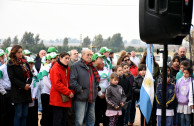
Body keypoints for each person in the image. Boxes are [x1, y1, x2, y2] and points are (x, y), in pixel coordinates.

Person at [70, 48, 99, 126]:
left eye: (91, 55)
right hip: (81, 97)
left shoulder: (92, 66)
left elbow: (97, 79)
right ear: (82, 56)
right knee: (79, 121)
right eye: (88, 55)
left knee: (91, 120)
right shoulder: (75, 66)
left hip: (92, 96)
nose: (90, 57)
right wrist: (80, 90)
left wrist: (96, 89)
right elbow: (72, 81)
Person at [7, 45, 33, 126]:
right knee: (19, 114)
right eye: (19, 52)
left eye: (21, 52)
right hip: (17, 91)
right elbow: (12, 78)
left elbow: (30, 74)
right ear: (14, 53)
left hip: (26, 91)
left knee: (25, 114)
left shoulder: (24, 62)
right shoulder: (11, 63)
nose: (21, 54)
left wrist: (28, 84)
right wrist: (23, 85)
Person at [50, 52, 74, 126]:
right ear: (60, 58)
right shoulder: (55, 68)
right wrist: (69, 92)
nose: (67, 60)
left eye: (68, 59)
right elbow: (56, 84)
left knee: (64, 120)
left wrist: (72, 91)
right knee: (58, 121)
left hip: (66, 98)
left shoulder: (67, 69)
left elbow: (71, 82)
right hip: (57, 99)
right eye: (65, 58)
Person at [40, 52, 58, 126]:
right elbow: (46, 81)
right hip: (46, 94)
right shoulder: (45, 68)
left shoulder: (56, 67)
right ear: (49, 60)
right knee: (46, 112)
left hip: (53, 93)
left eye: (56, 58)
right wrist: (54, 89)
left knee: (52, 113)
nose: (56, 59)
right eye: (54, 58)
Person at [92, 53, 109, 126]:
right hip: (97, 95)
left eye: (102, 58)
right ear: (95, 60)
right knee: (97, 114)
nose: (102, 60)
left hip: (105, 94)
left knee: (106, 114)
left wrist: (106, 93)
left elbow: (108, 80)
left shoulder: (105, 68)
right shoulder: (92, 69)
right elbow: (94, 82)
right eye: (100, 58)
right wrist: (100, 93)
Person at [0, 48, 14, 126]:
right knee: (4, 113)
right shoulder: (2, 68)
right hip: (4, 93)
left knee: (11, 113)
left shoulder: (14, 67)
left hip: (13, 92)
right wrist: (4, 93)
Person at [26, 57, 39, 126]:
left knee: (33, 115)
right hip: (26, 97)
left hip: (34, 97)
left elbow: (36, 84)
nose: (30, 65)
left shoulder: (34, 72)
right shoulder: (24, 72)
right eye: (29, 63)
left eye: (31, 63)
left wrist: (33, 96)